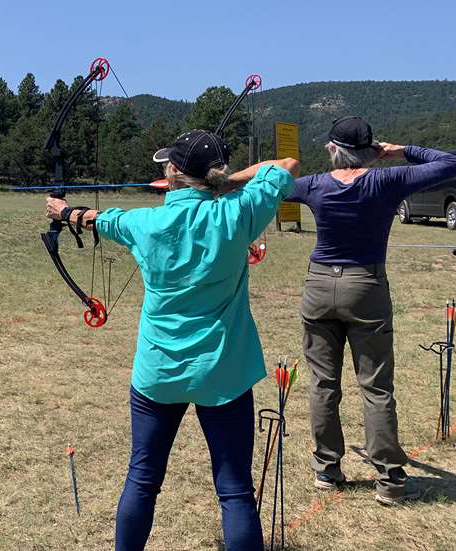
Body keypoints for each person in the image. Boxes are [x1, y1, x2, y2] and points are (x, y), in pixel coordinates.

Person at [46, 129, 299, 551]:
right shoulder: (237, 214)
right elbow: (285, 167)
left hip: (159, 373)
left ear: (175, 171)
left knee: (143, 479)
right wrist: (229, 182)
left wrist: (66, 212)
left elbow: (101, 219)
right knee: (235, 491)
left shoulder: (147, 222)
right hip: (222, 373)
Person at [284, 116, 456, 505]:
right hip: (365, 285)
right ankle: (389, 478)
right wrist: (403, 151)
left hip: (319, 283)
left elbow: (268, 188)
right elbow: (449, 163)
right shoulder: (388, 180)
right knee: (376, 386)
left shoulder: (314, 184)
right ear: (371, 150)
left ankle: (327, 468)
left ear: (332, 149)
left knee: (322, 383)